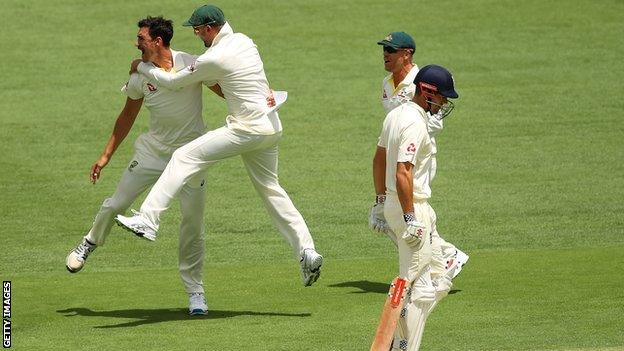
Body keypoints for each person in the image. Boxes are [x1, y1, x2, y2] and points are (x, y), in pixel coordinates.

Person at [114, 5, 323, 287]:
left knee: (183, 156)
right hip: (271, 126)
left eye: (198, 30)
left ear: (210, 28)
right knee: (271, 190)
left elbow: (174, 82)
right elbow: (241, 80)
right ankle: (307, 250)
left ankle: (148, 220)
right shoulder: (245, 41)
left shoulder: (213, 56)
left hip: (246, 128)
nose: (197, 35)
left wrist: (140, 66)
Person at [65, 16, 213, 315]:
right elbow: (127, 116)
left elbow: (224, 88)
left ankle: (195, 293)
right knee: (116, 203)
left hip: (191, 156)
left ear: (157, 41)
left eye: (142, 39)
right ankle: (90, 241)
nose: (137, 43)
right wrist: (106, 155)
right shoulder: (139, 77)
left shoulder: (192, 64)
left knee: (192, 226)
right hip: (152, 154)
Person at [370, 32, 469, 290]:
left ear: (407, 54)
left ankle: (434, 265)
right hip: (395, 150)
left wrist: (410, 126)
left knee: (410, 211)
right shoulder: (386, 83)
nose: (386, 54)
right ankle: (444, 259)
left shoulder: (424, 80)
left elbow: (435, 121)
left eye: (391, 50)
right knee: (399, 213)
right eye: (384, 50)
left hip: (415, 155)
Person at [371, 64, 459, 350]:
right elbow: (402, 171)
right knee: (413, 287)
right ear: (426, 91)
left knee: (441, 275)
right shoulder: (415, 123)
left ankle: (401, 343)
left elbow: (378, 159)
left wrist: (380, 202)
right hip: (412, 206)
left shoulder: (395, 115)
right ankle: (403, 347)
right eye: (442, 97)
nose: (444, 103)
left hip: (405, 206)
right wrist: (410, 218)